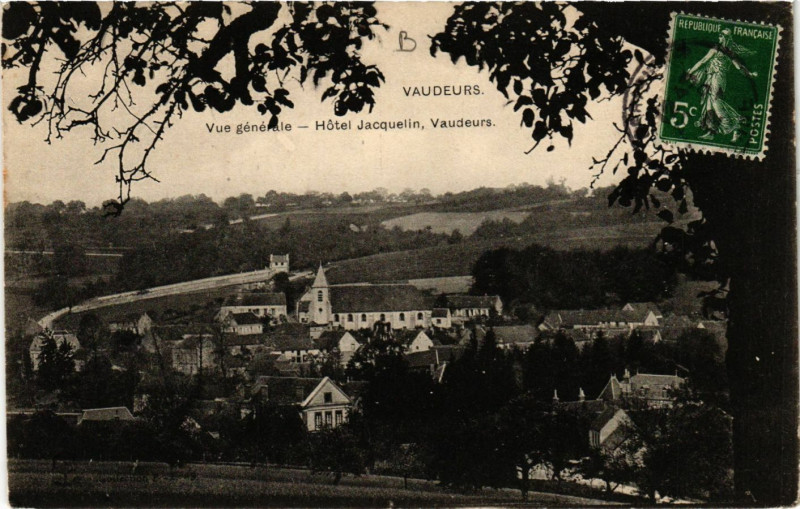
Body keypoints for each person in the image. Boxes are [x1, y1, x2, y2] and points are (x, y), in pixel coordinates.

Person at [685, 28, 757, 142]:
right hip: (711, 77)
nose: (719, 37)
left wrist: (690, 72)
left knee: (715, 101)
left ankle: (734, 123)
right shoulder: (723, 50)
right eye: (719, 35)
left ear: (726, 38)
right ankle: (712, 131)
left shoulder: (723, 50)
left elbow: (737, 66)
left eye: (721, 35)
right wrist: (749, 74)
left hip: (718, 77)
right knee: (709, 104)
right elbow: (704, 61)